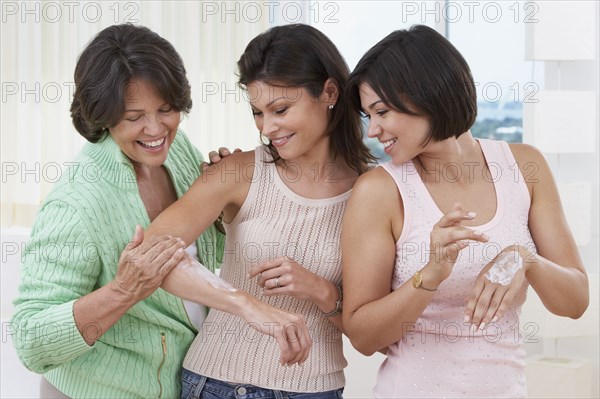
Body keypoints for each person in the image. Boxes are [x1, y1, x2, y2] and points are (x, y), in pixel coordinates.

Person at [11, 23, 310, 399]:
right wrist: (123, 290)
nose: (155, 129)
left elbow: (194, 256)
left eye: (166, 109)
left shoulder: (176, 149)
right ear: (102, 114)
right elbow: (30, 340)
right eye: (134, 117)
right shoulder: (76, 203)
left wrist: (221, 206)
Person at [341, 25, 589, 398]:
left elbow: (575, 301)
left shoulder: (524, 167)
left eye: (382, 112)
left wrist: (524, 260)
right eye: (368, 116)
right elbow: (363, 336)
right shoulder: (380, 191)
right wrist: (432, 273)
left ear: (428, 95)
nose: (373, 130)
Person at [137, 24, 374, 398]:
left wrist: (322, 291)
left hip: (318, 390)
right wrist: (245, 304)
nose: (268, 127)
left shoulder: (372, 190)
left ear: (329, 92)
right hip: (221, 385)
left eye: (280, 109)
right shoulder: (238, 171)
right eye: (258, 113)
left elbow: (371, 331)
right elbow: (148, 256)